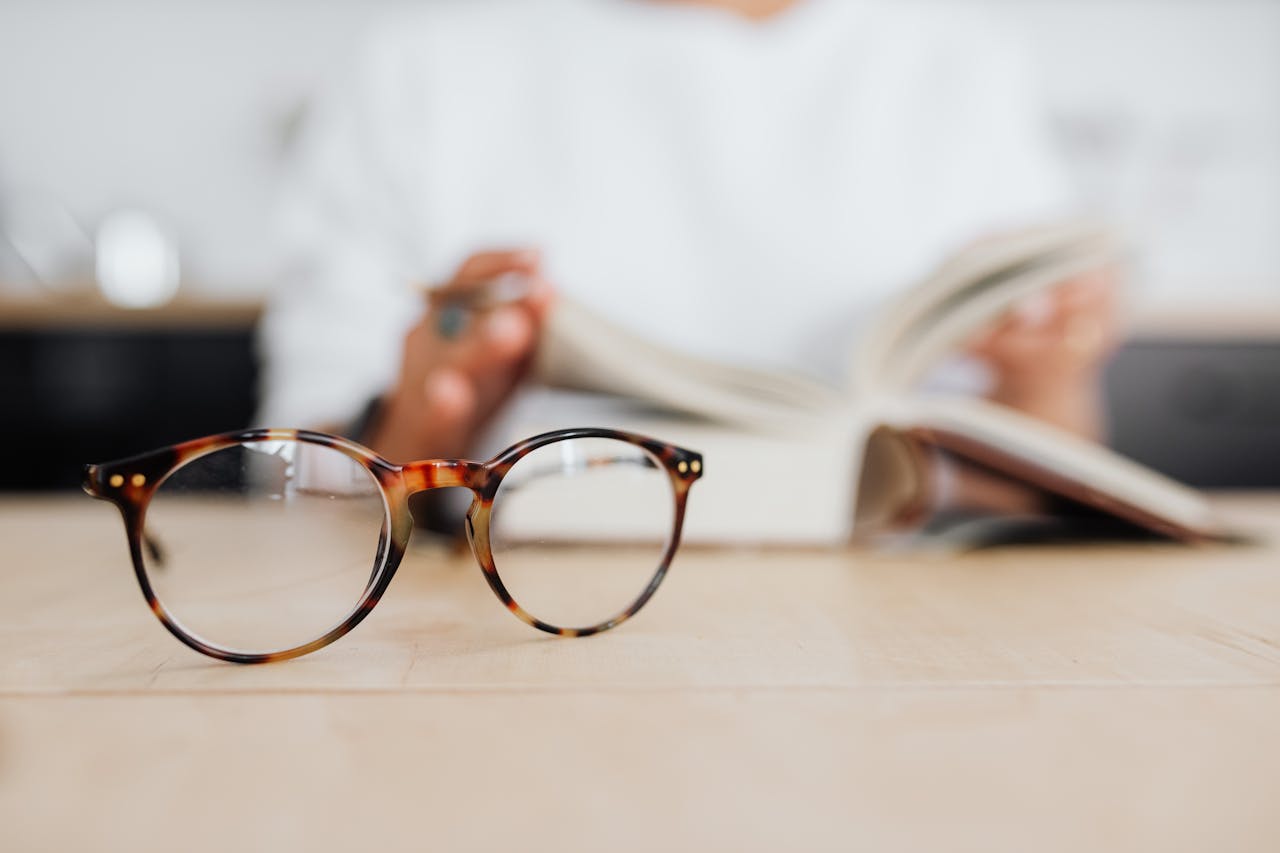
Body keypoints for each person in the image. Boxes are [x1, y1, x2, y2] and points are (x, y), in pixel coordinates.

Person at [260, 0, 1118, 486]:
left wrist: (1045, 378)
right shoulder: (420, 70)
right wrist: (420, 426)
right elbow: (289, 474)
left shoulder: (966, 70)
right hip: (511, 628)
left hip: (914, 638)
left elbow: (1044, 460)